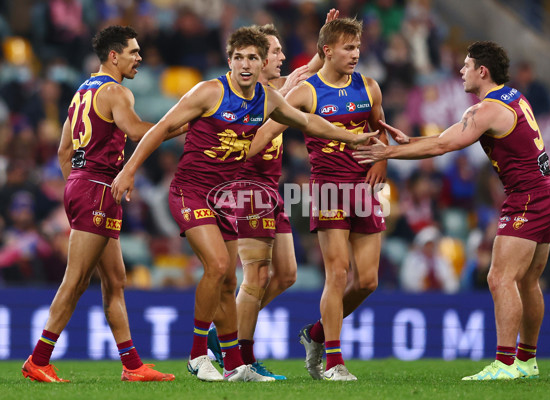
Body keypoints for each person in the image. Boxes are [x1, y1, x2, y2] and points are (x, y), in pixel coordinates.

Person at [110, 26, 376, 383]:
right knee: (221, 266)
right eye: (239, 57)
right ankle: (197, 355)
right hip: (191, 190)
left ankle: (235, 363)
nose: (246, 64)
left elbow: (307, 120)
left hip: (226, 197)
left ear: (260, 61)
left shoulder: (267, 98)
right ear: (230, 60)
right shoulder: (209, 91)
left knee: (229, 278)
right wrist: (128, 171)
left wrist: (351, 136)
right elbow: (160, 129)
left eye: (252, 57)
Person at [354, 41, 550, 380]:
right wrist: (405, 142)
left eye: (466, 66)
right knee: (527, 281)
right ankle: (527, 361)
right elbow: (444, 137)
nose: (461, 71)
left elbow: (442, 145)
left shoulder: (486, 110)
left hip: (528, 198)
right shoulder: (512, 96)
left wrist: (386, 154)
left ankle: (505, 364)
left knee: (500, 277)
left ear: (482, 71)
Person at [22, 25, 182, 383]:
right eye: (133, 52)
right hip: (96, 189)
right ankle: (39, 360)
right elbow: (138, 131)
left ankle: (132, 365)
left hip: (89, 187)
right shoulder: (116, 91)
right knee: (76, 280)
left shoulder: (82, 92)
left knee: (115, 279)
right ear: (114, 55)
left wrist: (77, 185)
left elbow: (65, 151)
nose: (139, 57)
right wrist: (182, 124)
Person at [250, 17, 388, 381]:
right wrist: (240, 155)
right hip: (328, 189)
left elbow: (379, 131)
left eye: (357, 47)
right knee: (338, 273)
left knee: (369, 281)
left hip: (364, 190)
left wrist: (383, 162)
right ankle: (334, 360)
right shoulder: (306, 92)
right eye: (348, 48)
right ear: (327, 51)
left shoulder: (370, 87)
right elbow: (269, 126)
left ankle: (315, 335)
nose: (355, 54)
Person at [207, 10, 340, 381]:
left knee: (286, 274)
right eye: (276, 51)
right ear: (260, 58)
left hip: (270, 191)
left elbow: (313, 66)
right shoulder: (252, 95)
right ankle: (242, 355)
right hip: (247, 189)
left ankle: (226, 334)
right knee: (257, 275)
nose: (282, 57)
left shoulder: (281, 86)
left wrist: (326, 35)